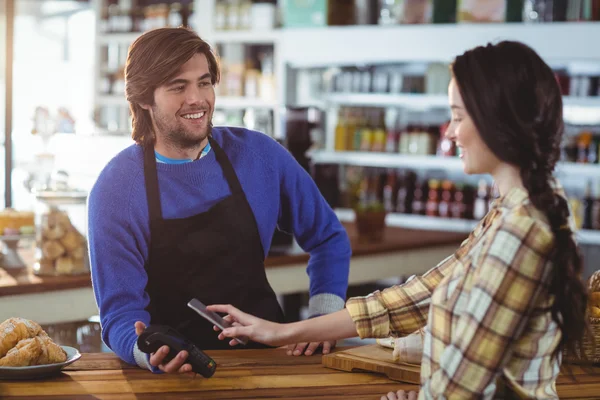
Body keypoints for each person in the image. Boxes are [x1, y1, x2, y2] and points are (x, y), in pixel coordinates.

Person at [208, 41, 590, 399]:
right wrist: (282, 331)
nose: (451, 132)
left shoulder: (519, 232)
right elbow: (418, 297)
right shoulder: (513, 212)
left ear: (498, 121)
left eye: (458, 116)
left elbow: (459, 390)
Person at [87, 27, 351, 374]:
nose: (197, 99)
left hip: (272, 365)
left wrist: (322, 321)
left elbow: (329, 237)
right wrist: (145, 352)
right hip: (175, 378)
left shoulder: (258, 155)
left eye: (205, 82)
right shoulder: (116, 188)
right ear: (144, 98)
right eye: (178, 87)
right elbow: (120, 315)